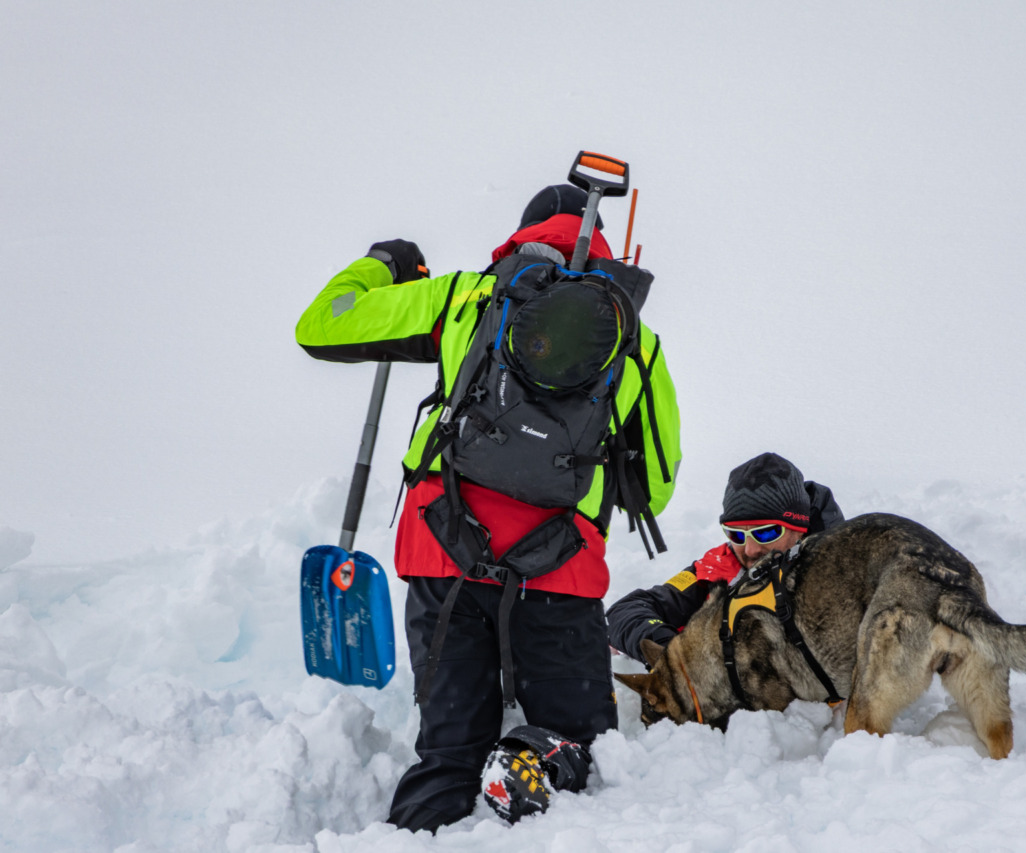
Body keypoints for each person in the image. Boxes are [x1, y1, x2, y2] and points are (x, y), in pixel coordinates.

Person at [295, 182, 681, 832]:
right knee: (582, 747)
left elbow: (322, 324)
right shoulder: (631, 336)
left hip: (442, 550)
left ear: (522, 234)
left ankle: (419, 828)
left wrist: (386, 263)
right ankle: (528, 753)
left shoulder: (468, 295)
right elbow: (658, 483)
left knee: (446, 753)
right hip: (560, 572)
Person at [607, 452, 840, 664]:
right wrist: (672, 651)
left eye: (766, 532)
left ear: (799, 528)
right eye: (737, 534)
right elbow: (628, 610)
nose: (749, 549)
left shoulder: (846, 572)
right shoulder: (721, 566)